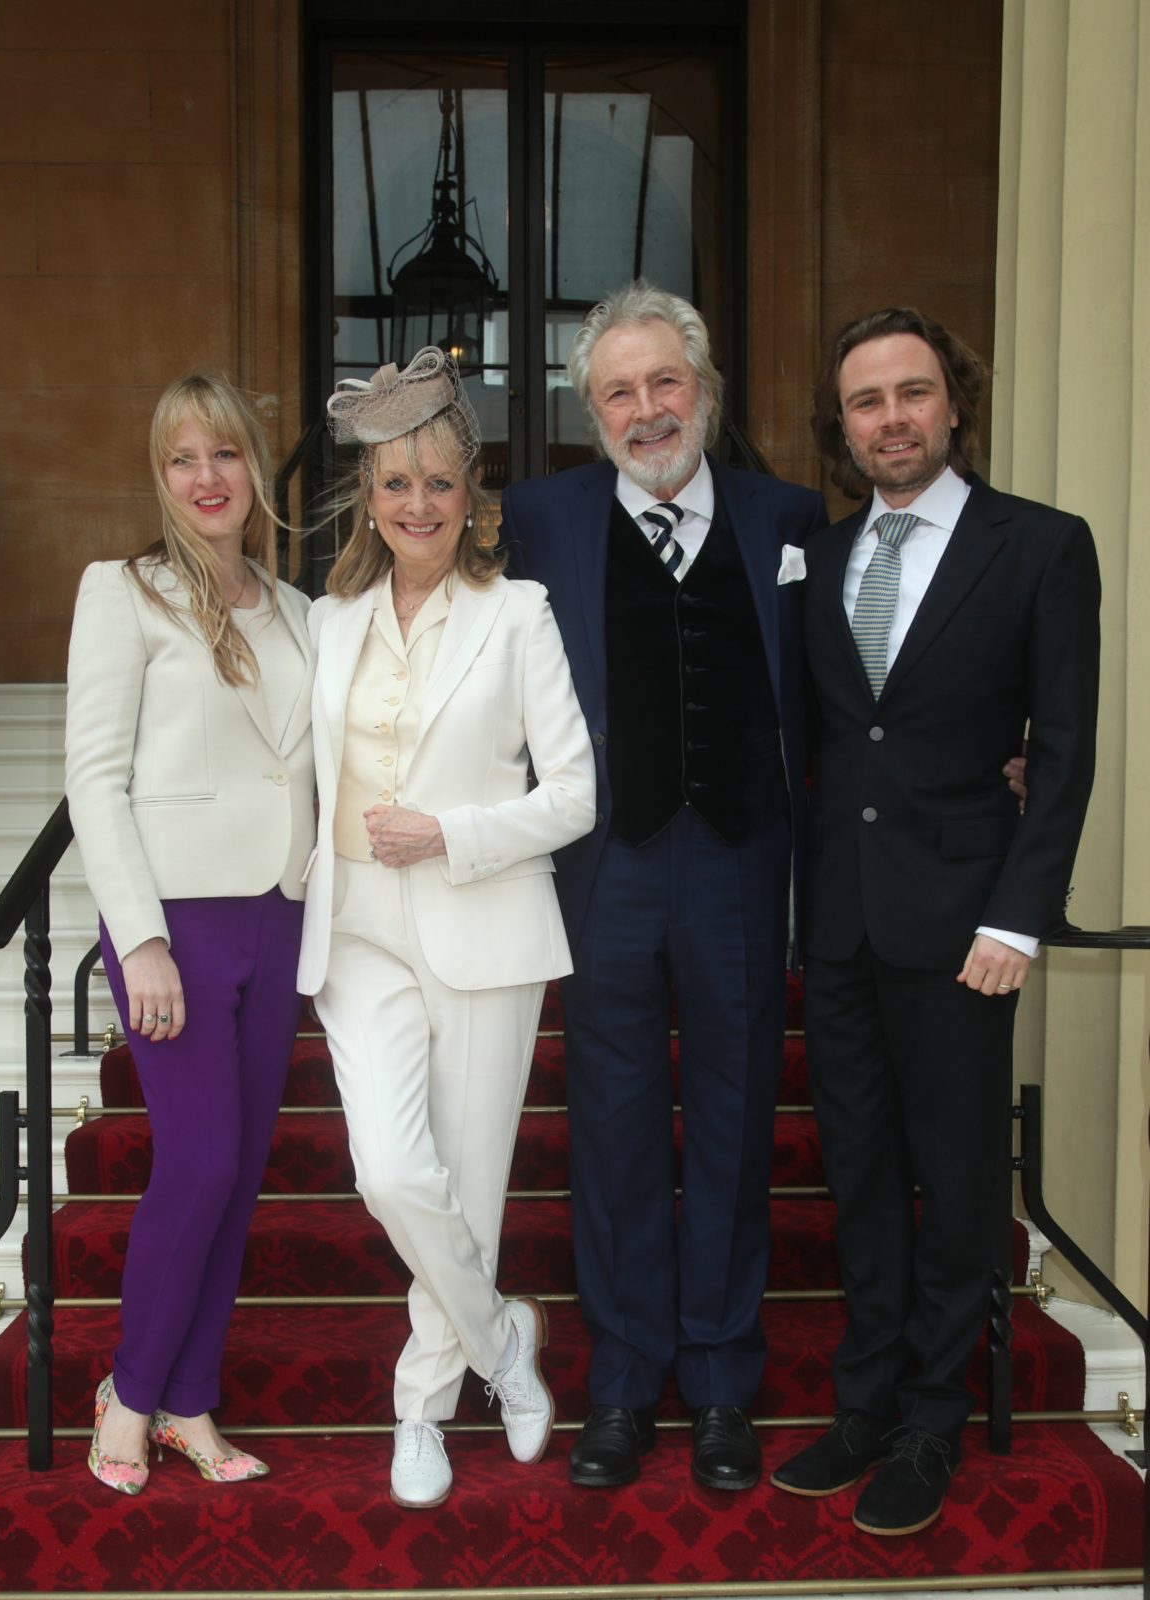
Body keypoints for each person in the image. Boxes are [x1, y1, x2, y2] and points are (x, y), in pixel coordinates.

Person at [770, 308, 1101, 1535]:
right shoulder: (823, 551)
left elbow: (1062, 750)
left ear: (953, 404)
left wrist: (1019, 915)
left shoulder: (1041, 547)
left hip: (967, 928)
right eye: (866, 402)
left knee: (957, 1185)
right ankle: (862, 1405)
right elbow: (832, 734)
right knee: (858, 1174)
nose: (891, 418)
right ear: (843, 425)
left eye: (912, 393)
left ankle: (928, 1419)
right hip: (843, 926)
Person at [499, 281, 828, 1491]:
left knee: (738, 1125)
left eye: (664, 383)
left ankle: (725, 1380)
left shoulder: (786, 512)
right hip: (606, 869)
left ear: (704, 390)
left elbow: (841, 677)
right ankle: (627, 1382)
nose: (647, 410)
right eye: (619, 392)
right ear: (593, 412)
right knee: (617, 1131)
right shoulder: (538, 516)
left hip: (743, 862)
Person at [296, 348, 596, 1509]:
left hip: (484, 925)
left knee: (466, 1186)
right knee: (389, 1171)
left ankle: (419, 1405)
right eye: (392, 484)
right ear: (367, 499)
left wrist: (453, 832)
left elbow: (572, 796)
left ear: (472, 493)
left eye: (436, 481)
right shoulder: (325, 623)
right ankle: (502, 1342)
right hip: (359, 927)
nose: (415, 504)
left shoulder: (518, 614)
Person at [66, 373, 316, 1493]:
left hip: (281, 915)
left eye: (224, 454)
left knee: (242, 1170)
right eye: (183, 459)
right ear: (160, 476)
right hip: (173, 926)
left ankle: (189, 1401)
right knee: (199, 1159)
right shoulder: (124, 593)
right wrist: (142, 937)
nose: (206, 477)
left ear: (256, 468)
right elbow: (94, 778)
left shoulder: (301, 609)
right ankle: (127, 1389)